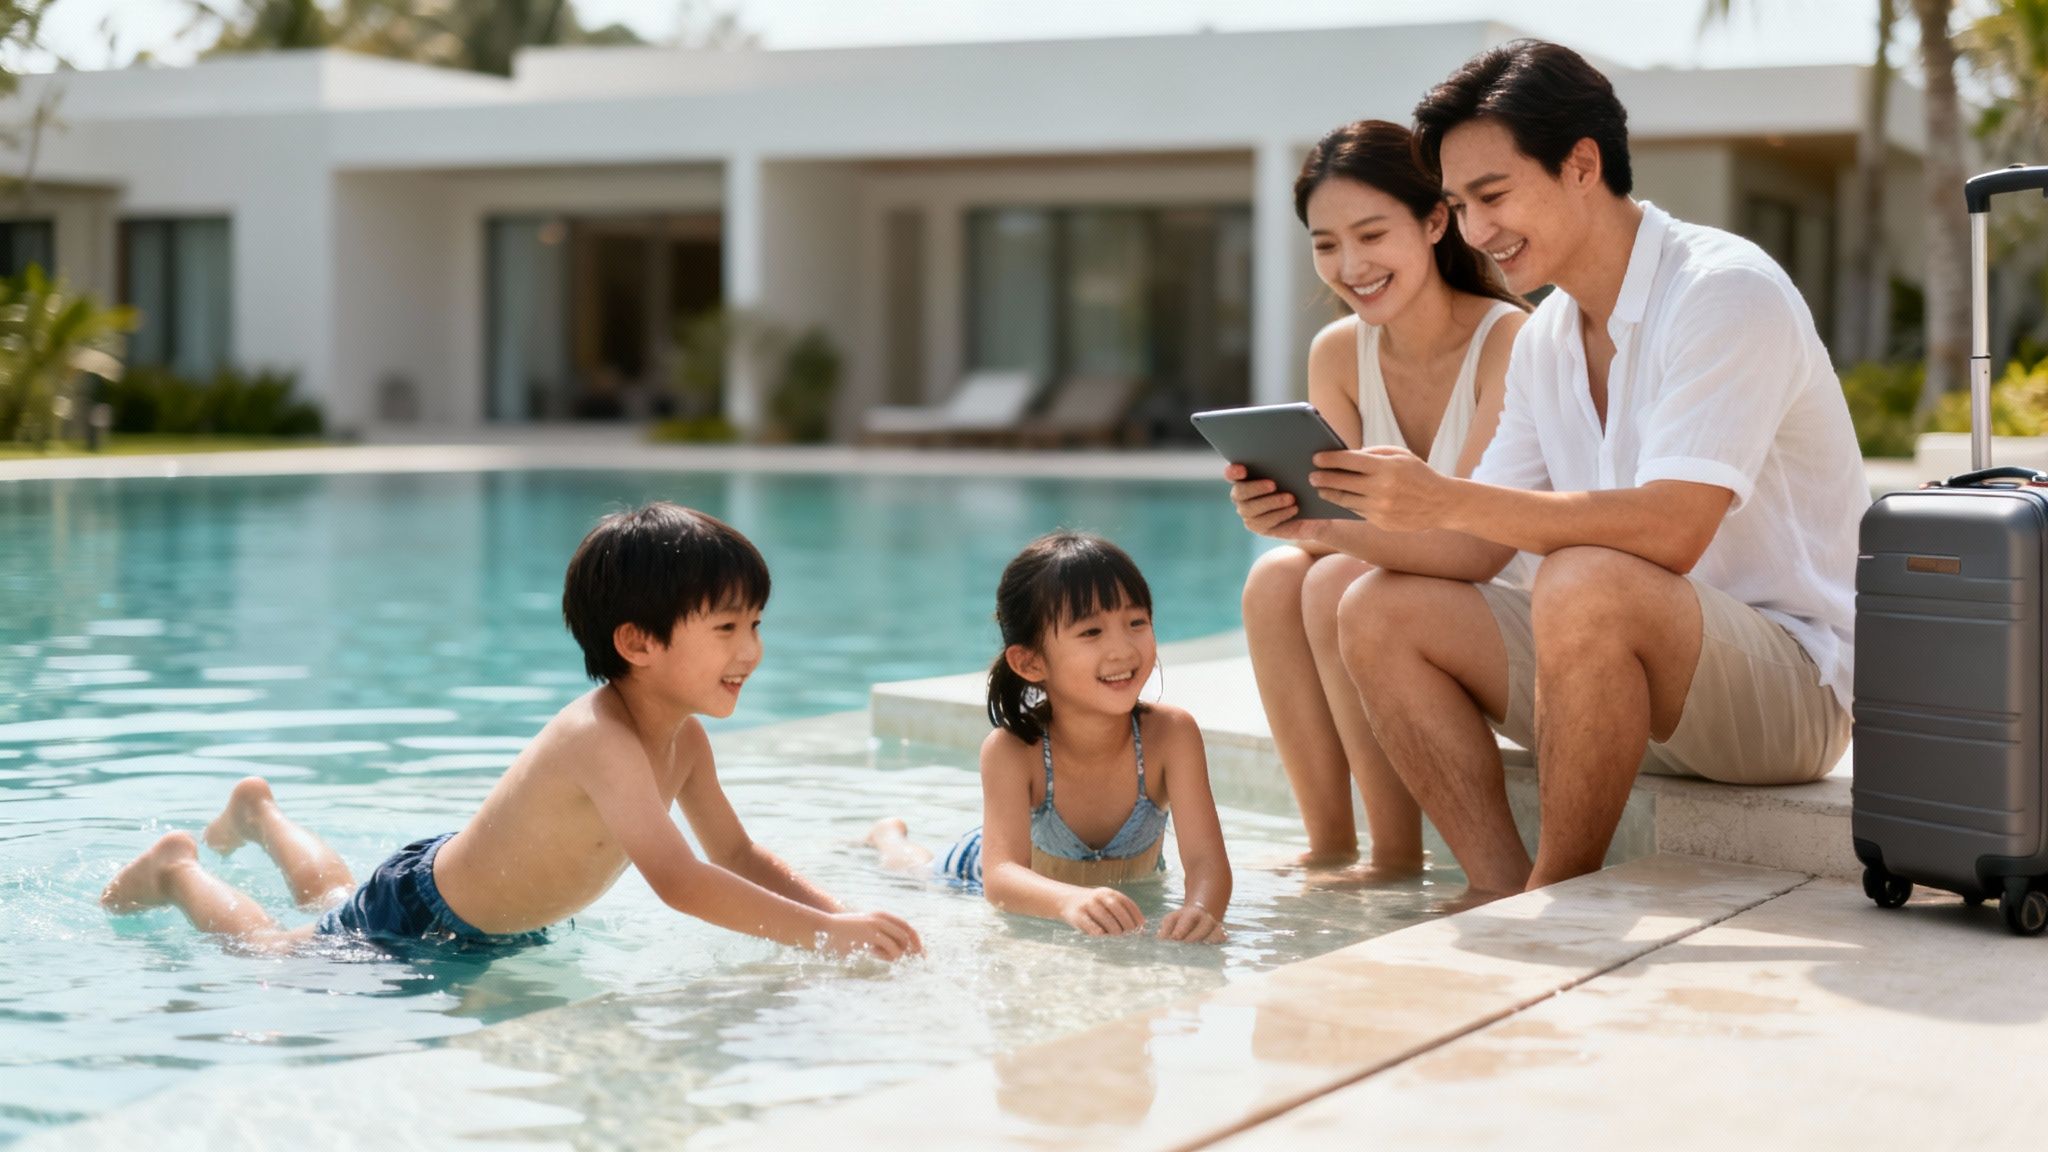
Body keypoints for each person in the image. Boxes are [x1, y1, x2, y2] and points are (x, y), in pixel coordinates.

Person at [1304, 40, 1865, 901]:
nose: (1475, 232)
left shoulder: (1723, 291)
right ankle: (1496, 893)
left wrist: (1449, 496)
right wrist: (1318, 520)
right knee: (1377, 606)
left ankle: (1556, 898)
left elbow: (1670, 530)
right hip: (1615, 677)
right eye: (1459, 205)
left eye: (1493, 195)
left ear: (1581, 166)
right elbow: (1473, 548)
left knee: (1585, 577)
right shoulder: (1548, 338)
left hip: (1788, 693)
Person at [101, 502, 924, 962]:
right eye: (727, 629)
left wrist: (847, 918)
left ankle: (260, 813)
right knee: (282, 960)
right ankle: (178, 871)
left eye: (756, 624)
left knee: (332, 902)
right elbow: (678, 881)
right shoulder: (599, 737)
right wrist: (827, 936)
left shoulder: (684, 742)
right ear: (638, 643)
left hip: (472, 906)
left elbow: (735, 855)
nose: (752, 651)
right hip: (428, 916)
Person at [1227, 119, 1527, 881]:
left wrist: (1318, 527)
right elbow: (1334, 513)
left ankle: (1395, 853)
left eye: (1371, 235)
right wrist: (1280, 511)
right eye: (1326, 244)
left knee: (1332, 574)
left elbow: (1469, 537)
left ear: (1435, 222)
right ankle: (1330, 841)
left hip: (1499, 594)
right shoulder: (1338, 351)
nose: (1351, 266)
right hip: (1389, 578)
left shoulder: (1508, 341)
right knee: (1274, 580)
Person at [867, 532, 1232, 941]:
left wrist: (1201, 910)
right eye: (1091, 632)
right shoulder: (1013, 751)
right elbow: (1001, 878)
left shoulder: (1172, 736)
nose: (1123, 649)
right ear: (1030, 662)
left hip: (1077, 894)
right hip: (973, 870)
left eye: (1137, 623)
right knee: (914, 871)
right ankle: (889, 838)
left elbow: (1206, 863)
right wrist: (1068, 901)